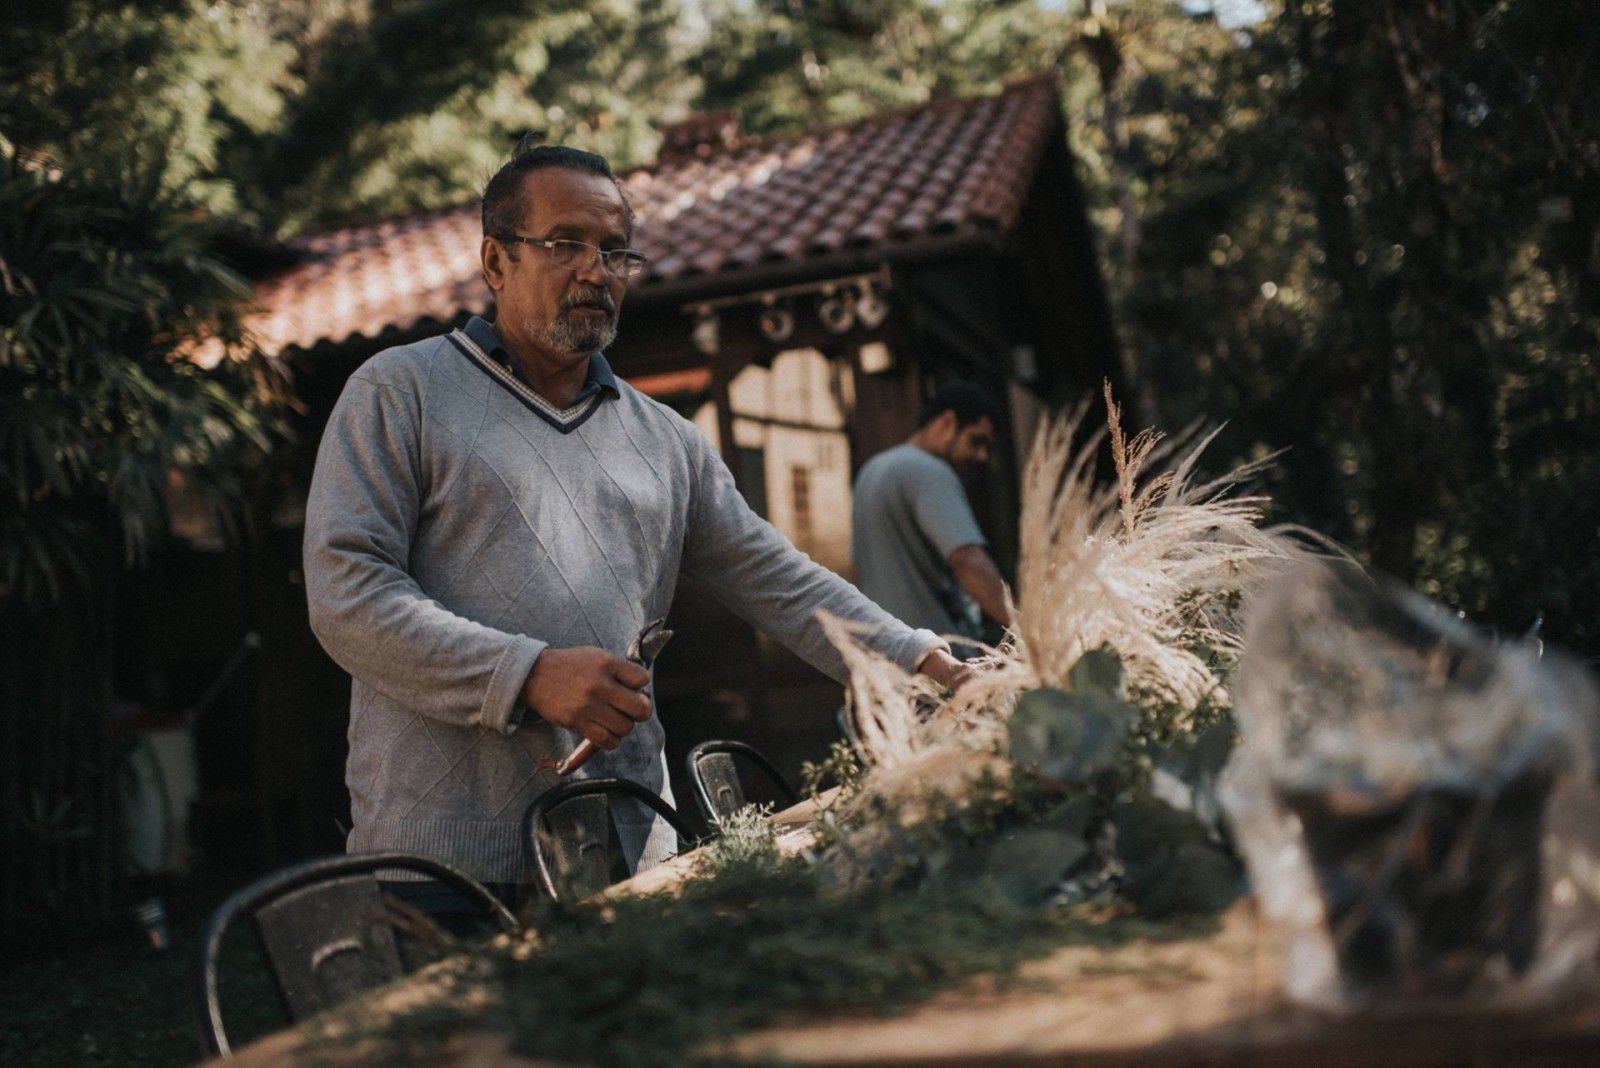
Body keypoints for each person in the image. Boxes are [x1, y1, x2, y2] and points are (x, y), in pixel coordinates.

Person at [303, 143, 966, 914]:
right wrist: (527, 674)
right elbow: (346, 594)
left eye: (615, 251)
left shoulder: (668, 441)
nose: (596, 271)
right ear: (495, 261)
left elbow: (780, 580)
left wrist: (929, 664)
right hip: (447, 865)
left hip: (627, 847)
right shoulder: (401, 392)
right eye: (565, 244)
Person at [851, 382, 1012, 656]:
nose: (982, 457)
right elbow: (967, 560)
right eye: (976, 441)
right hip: (936, 660)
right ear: (946, 422)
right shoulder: (930, 472)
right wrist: (1025, 629)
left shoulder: (872, 470)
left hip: (884, 656)